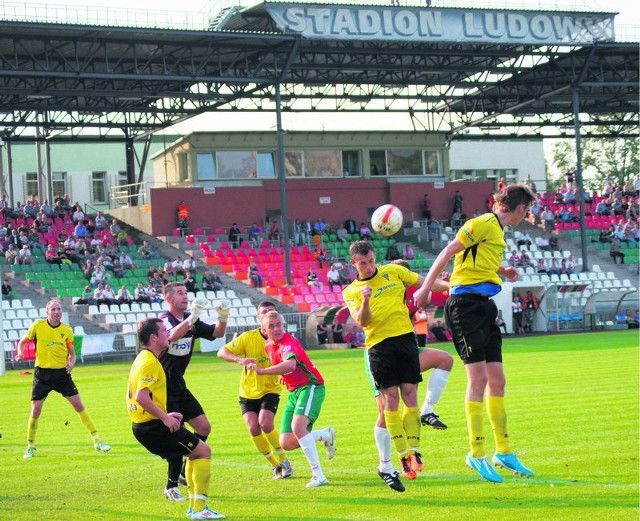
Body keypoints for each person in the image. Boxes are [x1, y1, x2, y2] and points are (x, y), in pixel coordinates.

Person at [413, 183, 536, 483]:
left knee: (498, 380)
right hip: (464, 307)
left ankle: (503, 450)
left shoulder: (496, 230)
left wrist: (502, 272)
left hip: (483, 306)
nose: (527, 216)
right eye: (528, 211)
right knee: (478, 380)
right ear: (521, 209)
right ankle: (476, 452)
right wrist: (425, 288)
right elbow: (448, 252)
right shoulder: (482, 223)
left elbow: (475, 265)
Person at [342, 240, 449, 488]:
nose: (368, 267)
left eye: (370, 261)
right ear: (353, 264)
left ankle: (413, 450)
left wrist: (451, 285)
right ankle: (400, 457)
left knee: (411, 395)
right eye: (362, 263)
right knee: (391, 401)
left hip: (405, 340)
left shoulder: (394, 271)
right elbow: (363, 322)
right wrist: (366, 300)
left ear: (374, 257)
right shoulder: (352, 291)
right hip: (379, 346)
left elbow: (426, 282)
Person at [127, 318, 225, 520]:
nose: (168, 335)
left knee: (193, 453)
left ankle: (194, 508)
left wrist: (165, 414)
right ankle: (198, 509)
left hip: (145, 425)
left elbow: (143, 397)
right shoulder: (149, 362)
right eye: (164, 331)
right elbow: (141, 397)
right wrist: (164, 418)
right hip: (151, 427)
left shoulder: (143, 358)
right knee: (203, 451)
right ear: (154, 337)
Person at [247, 311, 336, 488]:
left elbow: (290, 364)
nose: (276, 329)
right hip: (294, 391)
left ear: (283, 325)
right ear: (264, 330)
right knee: (286, 442)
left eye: (278, 324)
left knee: (298, 427)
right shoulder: (268, 346)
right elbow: (286, 368)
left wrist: (263, 371)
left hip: (311, 387)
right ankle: (324, 434)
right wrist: (285, 377)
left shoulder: (288, 343)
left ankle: (318, 475)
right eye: (271, 326)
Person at [15, 299, 111, 459]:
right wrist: (20, 353)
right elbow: (23, 342)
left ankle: (97, 440)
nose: (56, 312)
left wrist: (72, 363)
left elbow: (72, 354)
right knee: (36, 409)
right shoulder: (37, 326)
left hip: (61, 375)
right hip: (42, 374)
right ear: (47, 312)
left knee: (79, 406)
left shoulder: (66, 330)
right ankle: (30, 446)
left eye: (59, 309)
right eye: (53, 309)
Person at [158, 283, 229, 501]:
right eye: (179, 293)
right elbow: (171, 337)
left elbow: (217, 333)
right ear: (169, 299)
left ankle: (183, 472)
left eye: (186, 293)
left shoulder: (192, 318)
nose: (185, 296)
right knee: (177, 434)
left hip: (179, 384)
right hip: (163, 386)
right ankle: (171, 485)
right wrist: (192, 318)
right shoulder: (164, 320)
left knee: (203, 427)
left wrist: (223, 316)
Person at [217, 301, 294, 480]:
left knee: (265, 423)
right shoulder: (247, 337)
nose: (268, 315)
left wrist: (287, 374)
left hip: (270, 388)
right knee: (253, 428)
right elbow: (221, 352)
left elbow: (291, 361)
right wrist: (239, 360)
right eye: (264, 313)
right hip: (247, 391)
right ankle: (275, 465)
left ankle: (284, 460)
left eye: (271, 312)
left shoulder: (283, 339)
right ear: (259, 318)